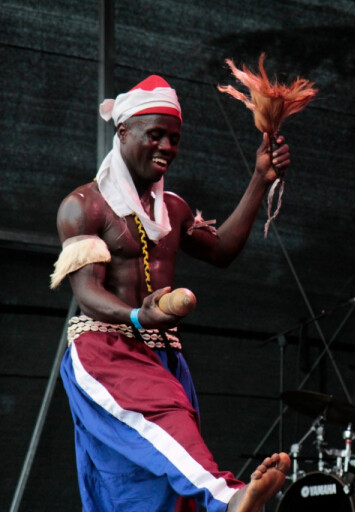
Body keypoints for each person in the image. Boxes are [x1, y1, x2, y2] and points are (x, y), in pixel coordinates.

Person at [50, 75, 290, 512]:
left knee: (150, 486)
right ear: (122, 132)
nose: (166, 147)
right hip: (106, 350)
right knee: (168, 424)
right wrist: (139, 318)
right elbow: (87, 293)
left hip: (162, 355)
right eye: (155, 135)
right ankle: (227, 495)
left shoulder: (173, 208)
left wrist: (259, 178)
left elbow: (223, 251)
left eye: (174, 139)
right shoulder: (84, 206)